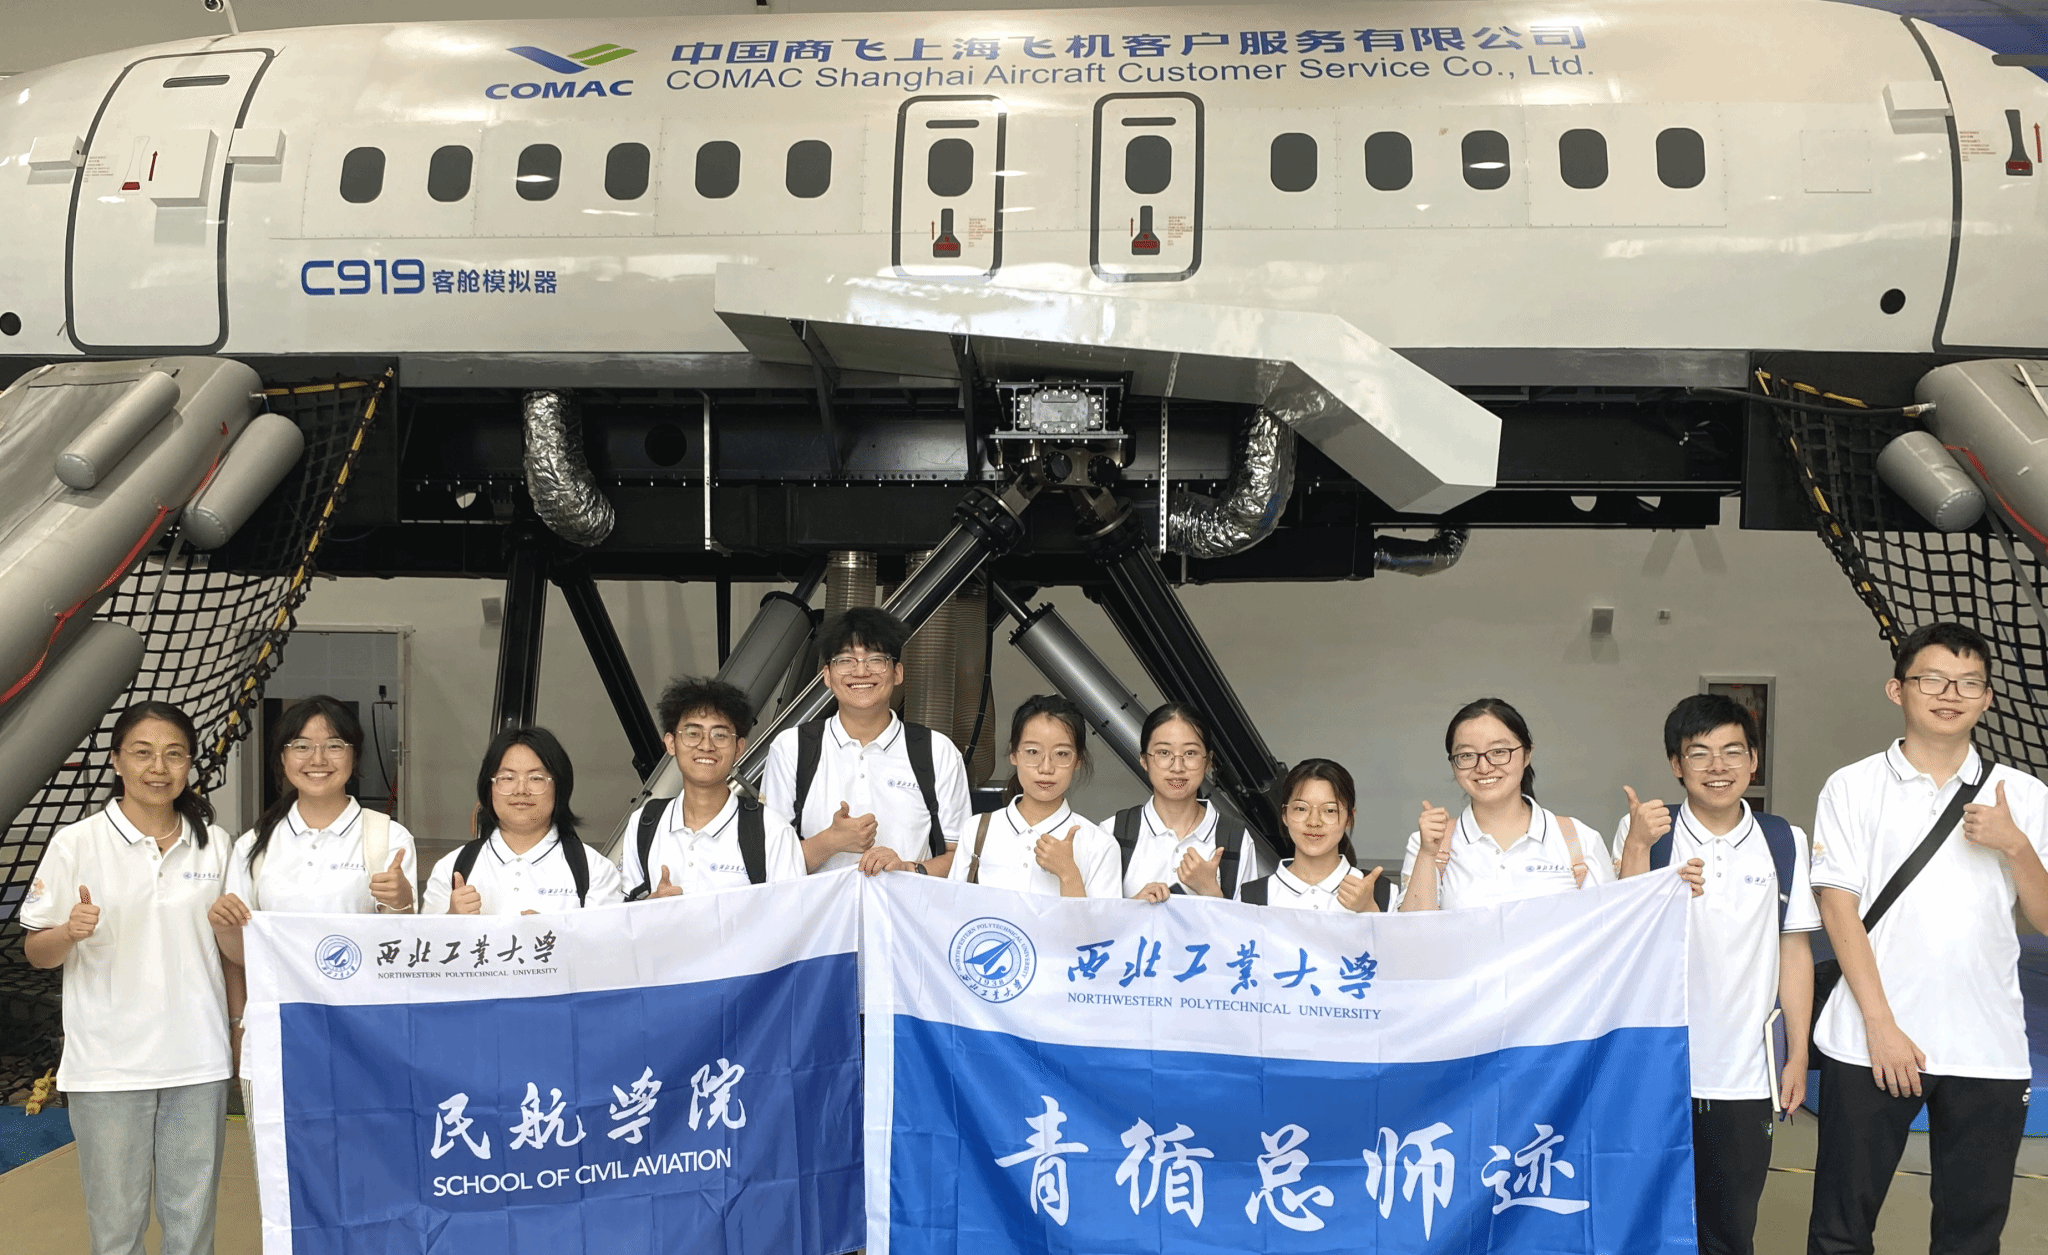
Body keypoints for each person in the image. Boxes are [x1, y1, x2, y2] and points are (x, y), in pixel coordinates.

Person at [1806, 622, 2048, 1255]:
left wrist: (2016, 846)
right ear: (1898, 690)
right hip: (1869, 1041)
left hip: (1987, 1046)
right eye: (1933, 679)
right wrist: (1881, 1026)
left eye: (1969, 683)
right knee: (1839, 1231)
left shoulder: (2025, 795)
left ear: (1987, 698)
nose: (1951, 694)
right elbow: (1838, 907)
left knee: (1972, 1237)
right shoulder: (1852, 786)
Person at [19, 701, 233, 1255]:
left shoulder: (216, 842)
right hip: (108, 1065)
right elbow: (37, 953)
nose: (158, 767)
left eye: (174, 754)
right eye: (143, 753)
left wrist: (236, 1028)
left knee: (192, 1228)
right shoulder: (76, 843)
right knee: (116, 1229)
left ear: (189, 764)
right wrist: (68, 931)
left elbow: (233, 954)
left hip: (198, 1060)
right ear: (117, 760)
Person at [1613, 694, 1813, 1255]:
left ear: (1754, 760)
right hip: (1660, 1065)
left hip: (1745, 1074)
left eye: (1732, 751)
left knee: (1730, 1229)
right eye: (1699, 753)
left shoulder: (1784, 840)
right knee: (1650, 1221)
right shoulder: (1647, 833)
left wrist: (1798, 1054)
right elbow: (1621, 941)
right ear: (1676, 765)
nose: (1717, 766)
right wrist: (1642, 856)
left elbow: (1794, 950)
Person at [207, 697, 419, 1114]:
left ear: (354, 755)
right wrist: (224, 926)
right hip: (277, 1037)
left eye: (334, 745)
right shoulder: (254, 845)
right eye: (301, 746)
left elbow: (400, 950)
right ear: (282, 757)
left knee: (365, 1149)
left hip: (365, 1038)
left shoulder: (388, 838)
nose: (318, 759)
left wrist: (400, 903)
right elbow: (243, 956)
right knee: (277, 1153)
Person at [761, 606, 972, 879]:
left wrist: (908, 869)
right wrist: (830, 842)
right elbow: (768, 862)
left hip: (906, 908)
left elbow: (963, 858)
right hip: (820, 909)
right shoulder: (792, 748)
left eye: (875, 659)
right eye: (845, 660)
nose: (861, 671)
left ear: (897, 673)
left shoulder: (938, 752)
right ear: (827, 675)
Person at [1398, 697, 1613, 912]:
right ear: (1453, 764)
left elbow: (1607, 925)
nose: (1483, 767)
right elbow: (1411, 929)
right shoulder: (1429, 843)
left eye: (1499, 752)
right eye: (1467, 755)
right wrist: (1427, 854)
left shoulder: (1579, 840)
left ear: (1527, 754)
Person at [622, 677, 804, 898]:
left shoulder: (772, 831)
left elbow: (793, 914)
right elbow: (624, 911)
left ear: (739, 748)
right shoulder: (644, 824)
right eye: (692, 733)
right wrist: (651, 905)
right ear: (670, 743)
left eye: (720, 735)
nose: (706, 745)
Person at [422, 725, 623, 914]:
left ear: (559, 786)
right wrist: (451, 919)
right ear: (489, 787)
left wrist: (555, 932)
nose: (521, 790)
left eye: (536, 778)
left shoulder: (595, 870)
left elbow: (609, 939)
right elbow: (425, 938)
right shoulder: (451, 868)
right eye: (507, 778)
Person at [950, 694, 1120, 898]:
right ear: (1014, 754)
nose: (1046, 768)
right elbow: (952, 911)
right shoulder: (976, 830)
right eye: (1032, 752)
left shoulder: (1099, 845)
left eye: (1061, 754)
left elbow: (1103, 920)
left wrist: (1069, 875)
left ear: (1078, 760)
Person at [1113, 702, 1270, 902]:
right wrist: (1133, 907)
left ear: (1208, 761)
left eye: (1190, 753)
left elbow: (1247, 922)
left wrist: (1210, 892)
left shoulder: (1236, 839)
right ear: (1144, 759)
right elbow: (1094, 919)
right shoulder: (1114, 833)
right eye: (1164, 753)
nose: (1177, 767)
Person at [1234, 759, 1383, 910]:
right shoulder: (1250, 897)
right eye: (1301, 808)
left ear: (1349, 818)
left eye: (1329, 810)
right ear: (1285, 814)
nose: (1314, 822)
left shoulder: (1380, 893)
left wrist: (1369, 910)